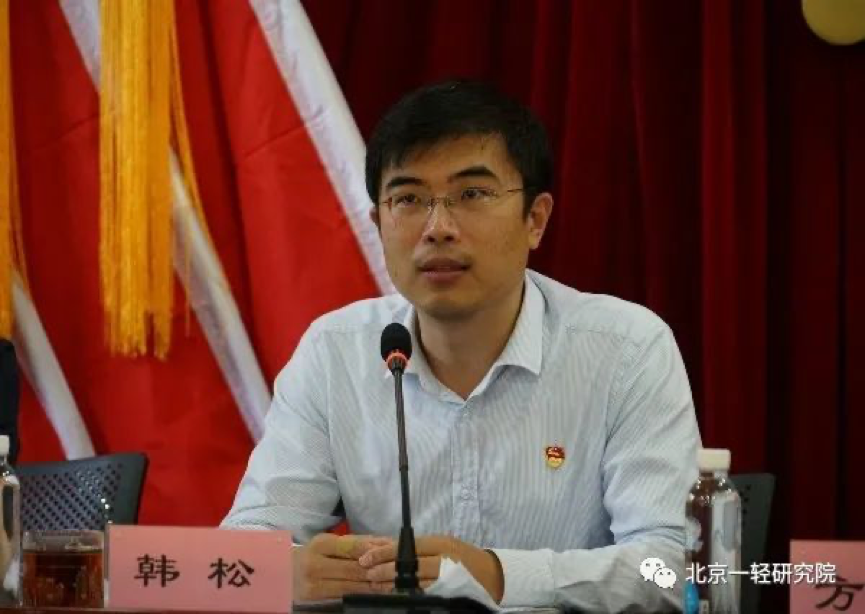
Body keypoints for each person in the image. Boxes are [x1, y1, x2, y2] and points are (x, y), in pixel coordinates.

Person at [222, 79, 701, 611]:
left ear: (535, 219)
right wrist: (282, 572)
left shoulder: (627, 350)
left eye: (472, 194)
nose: (438, 228)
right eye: (409, 199)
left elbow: (673, 568)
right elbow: (244, 545)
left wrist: (497, 575)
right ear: (378, 223)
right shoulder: (334, 353)